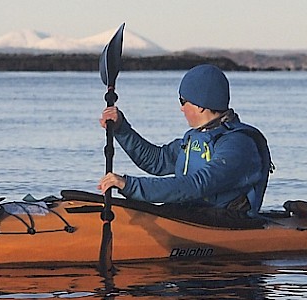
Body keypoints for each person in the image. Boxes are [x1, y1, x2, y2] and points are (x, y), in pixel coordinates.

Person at [97, 64, 271, 216]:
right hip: (193, 215)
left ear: (201, 104)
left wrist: (130, 185)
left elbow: (198, 184)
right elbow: (156, 161)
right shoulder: (195, 138)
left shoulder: (238, 145)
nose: (181, 108)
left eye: (183, 101)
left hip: (227, 223)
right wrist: (121, 129)